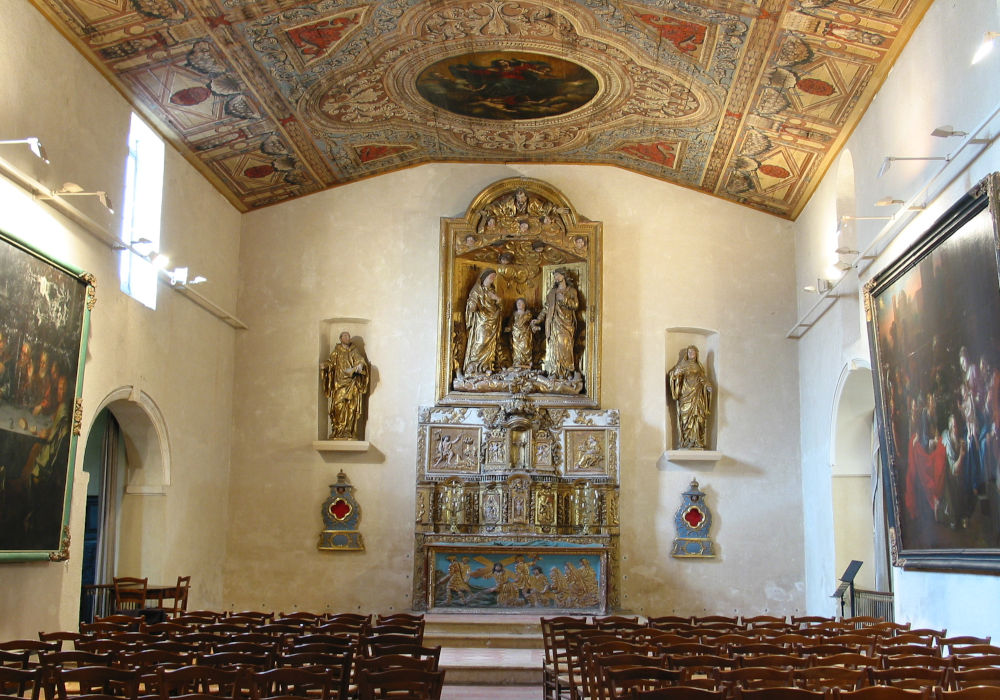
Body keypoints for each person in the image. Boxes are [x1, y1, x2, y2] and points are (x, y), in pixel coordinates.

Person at [321, 332, 370, 440]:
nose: (347, 338)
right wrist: (325, 365)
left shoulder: (354, 350)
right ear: (340, 338)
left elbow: (360, 361)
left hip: (351, 384)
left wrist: (359, 366)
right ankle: (338, 431)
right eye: (344, 336)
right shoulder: (336, 352)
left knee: (350, 408)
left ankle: (348, 431)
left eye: (348, 336)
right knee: (337, 406)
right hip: (339, 384)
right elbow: (331, 363)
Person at [532, 269, 578, 379]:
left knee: (565, 345)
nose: (556, 278)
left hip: (566, 323)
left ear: (564, 276)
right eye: (555, 276)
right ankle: (554, 371)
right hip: (553, 323)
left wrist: (565, 299)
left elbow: (575, 305)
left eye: (558, 275)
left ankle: (566, 372)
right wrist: (538, 319)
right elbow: (546, 308)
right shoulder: (552, 293)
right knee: (554, 347)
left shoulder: (571, 291)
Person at [668, 345, 713, 449]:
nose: (691, 354)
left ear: (696, 354)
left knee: (699, 418)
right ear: (687, 354)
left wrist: (708, 386)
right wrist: (675, 374)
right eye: (689, 352)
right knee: (686, 419)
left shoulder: (699, 367)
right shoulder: (682, 365)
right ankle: (687, 440)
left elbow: (703, 379)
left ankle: (697, 441)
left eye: (693, 352)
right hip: (685, 395)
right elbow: (673, 375)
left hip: (697, 396)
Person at [463, 269, 502, 375]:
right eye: (491, 276)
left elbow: (499, 305)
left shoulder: (493, 291)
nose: (493, 279)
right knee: (480, 341)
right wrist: (473, 305)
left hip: (492, 320)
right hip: (481, 320)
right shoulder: (477, 289)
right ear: (485, 277)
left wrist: (498, 300)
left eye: (494, 277)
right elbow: (472, 302)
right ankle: (474, 365)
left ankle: (486, 366)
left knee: (490, 344)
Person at [508, 297, 533, 369]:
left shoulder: (528, 314)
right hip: (516, 333)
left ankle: (527, 361)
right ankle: (517, 361)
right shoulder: (514, 314)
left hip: (525, 332)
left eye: (521, 303)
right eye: (517, 303)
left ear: (525, 305)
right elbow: (510, 322)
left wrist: (534, 327)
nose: (519, 304)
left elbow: (531, 323)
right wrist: (509, 328)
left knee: (526, 346)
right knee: (516, 348)